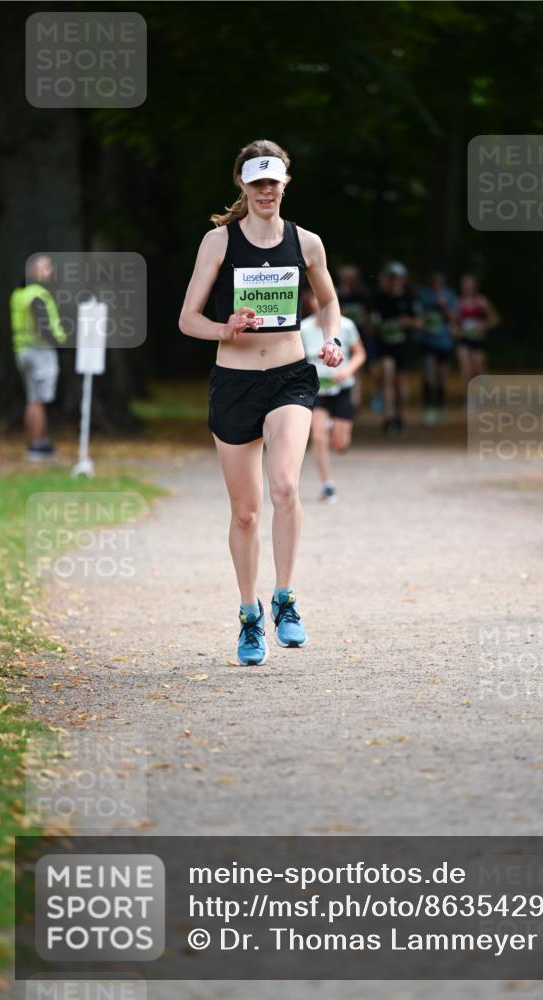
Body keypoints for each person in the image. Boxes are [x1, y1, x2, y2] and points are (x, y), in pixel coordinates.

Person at [179, 139, 344, 666]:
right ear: (243, 186)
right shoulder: (218, 243)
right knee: (247, 513)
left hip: (291, 376)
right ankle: (249, 613)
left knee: (286, 485)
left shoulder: (308, 242)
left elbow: (330, 300)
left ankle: (285, 600)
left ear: (285, 184)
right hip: (234, 382)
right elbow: (188, 319)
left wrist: (333, 339)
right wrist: (224, 328)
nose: (266, 191)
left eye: (274, 181)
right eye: (257, 182)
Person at [301, 292, 366, 503]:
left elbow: (360, 353)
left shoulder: (345, 326)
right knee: (318, 436)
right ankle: (327, 485)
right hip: (316, 391)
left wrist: (347, 371)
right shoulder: (303, 328)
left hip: (342, 389)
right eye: (315, 300)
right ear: (310, 303)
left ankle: (332, 426)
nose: (319, 304)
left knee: (340, 444)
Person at [10, 253, 68, 461]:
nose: (49, 271)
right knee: (38, 400)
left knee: (33, 399)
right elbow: (44, 327)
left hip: (23, 351)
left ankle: (40, 442)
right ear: (33, 270)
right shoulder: (37, 294)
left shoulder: (19, 293)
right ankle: (37, 444)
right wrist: (62, 343)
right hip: (39, 352)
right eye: (45, 267)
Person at [370, 262, 423, 433]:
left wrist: (408, 322)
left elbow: (420, 322)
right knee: (387, 375)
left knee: (401, 382)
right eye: (391, 277)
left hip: (404, 345)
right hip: (384, 345)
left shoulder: (410, 297)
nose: (394, 281)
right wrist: (376, 326)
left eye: (397, 277)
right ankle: (388, 417)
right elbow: (370, 321)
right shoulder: (379, 297)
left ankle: (400, 415)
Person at [416, 271, 459, 425]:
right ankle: (428, 408)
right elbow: (417, 316)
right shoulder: (423, 295)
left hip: (444, 343)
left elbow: (455, 318)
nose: (437, 284)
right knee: (428, 375)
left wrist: (444, 305)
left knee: (442, 377)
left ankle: (440, 407)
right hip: (427, 342)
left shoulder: (450, 295)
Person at [335, 265, 373, 409]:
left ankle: (354, 403)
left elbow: (368, 316)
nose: (350, 281)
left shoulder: (362, 295)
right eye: (347, 278)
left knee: (356, 369)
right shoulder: (336, 294)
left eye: (352, 278)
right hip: (339, 336)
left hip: (358, 336)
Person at [456, 273, 500, 398]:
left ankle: (482, 380)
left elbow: (495, 319)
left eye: (469, 285)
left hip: (478, 340)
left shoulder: (481, 301)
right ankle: (468, 400)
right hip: (463, 340)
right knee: (466, 369)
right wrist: (455, 329)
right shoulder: (458, 302)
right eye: (464, 285)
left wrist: (482, 326)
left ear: (474, 287)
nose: (467, 288)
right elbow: (453, 322)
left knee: (476, 369)